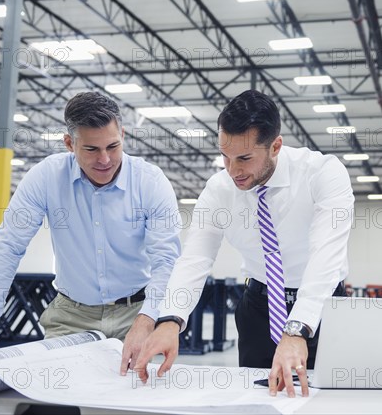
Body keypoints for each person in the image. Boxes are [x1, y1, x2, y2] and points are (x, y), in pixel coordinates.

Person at [135, 89, 354, 397]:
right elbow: (196, 257)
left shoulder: (322, 173)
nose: (233, 170)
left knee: (328, 400)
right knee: (256, 399)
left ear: (275, 146)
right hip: (259, 306)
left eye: (244, 158)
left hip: (324, 305)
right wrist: (171, 318)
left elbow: (325, 255)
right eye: (225, 156)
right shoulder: (219, 190)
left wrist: (298, 328)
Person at [0, 91, 181, 375]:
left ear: (123, 135)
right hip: (70, 316)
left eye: (113, 146)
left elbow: (167, 259)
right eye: (91, 149)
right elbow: (6, 249)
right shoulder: (46, 177)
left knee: (135, 399)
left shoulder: (150, 181)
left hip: (135, 312)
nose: (105, 159)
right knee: (57, 395)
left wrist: (148, 318)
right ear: (69, 143)